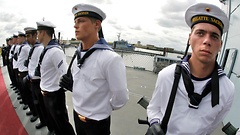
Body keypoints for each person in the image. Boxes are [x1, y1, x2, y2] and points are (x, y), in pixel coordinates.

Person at [146, 3, 235, 135]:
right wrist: (155, 124)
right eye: (200, 33)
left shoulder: (227, 89)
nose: (206, 41)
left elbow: (212, 125)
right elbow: (154, 108)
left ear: (220, 45)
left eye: (214, 36)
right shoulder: (167, 75)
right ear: (189, 38)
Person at [60, 3, 129, 135]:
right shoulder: (78, 54)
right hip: (77, 115)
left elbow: (121, 97)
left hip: (97, 123)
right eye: (75, 21)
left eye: (81, 21)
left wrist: (101, 108)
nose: (75, 25)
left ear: (96, 25)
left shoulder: (110, 58)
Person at [36, 20, 75, 135]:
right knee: (54, 123)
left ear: (43, 33)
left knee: (62, 125)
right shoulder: (46, 49)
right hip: (46, 94)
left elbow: (64, 74)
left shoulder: (55, 51)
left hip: (54, 96)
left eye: (38, 32)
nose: (37, 35)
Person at [24, 27, 52, 131]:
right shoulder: (33, 48)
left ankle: (50, 125)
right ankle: (43, 121)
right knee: (38, 104)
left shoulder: (40, 49)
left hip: (39, 81)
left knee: (43, 106)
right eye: (26, 36)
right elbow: (32, 64)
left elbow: (41, 66)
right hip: (32, 80)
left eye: (28, 36)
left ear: (34, 36)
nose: (27, 38)